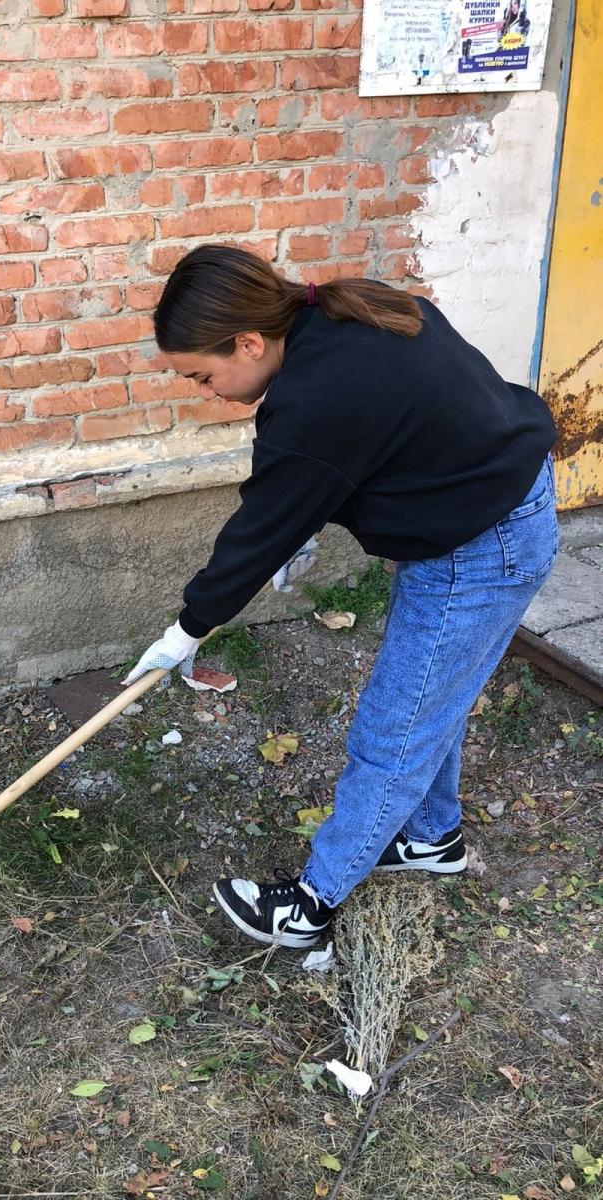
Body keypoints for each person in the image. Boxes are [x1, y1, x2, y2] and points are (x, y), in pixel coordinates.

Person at [123, 244, 558, 950]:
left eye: (204, 375)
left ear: (249, 341)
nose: (206, 390)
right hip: (494, 508)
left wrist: (189, 627)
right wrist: (304, 521)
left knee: (394, 730)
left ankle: (310, 908)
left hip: (480, 548)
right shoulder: (346, 312)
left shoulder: (313, 395)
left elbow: (258, 528)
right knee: (429, 699)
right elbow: (380, 438)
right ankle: (430, 838)